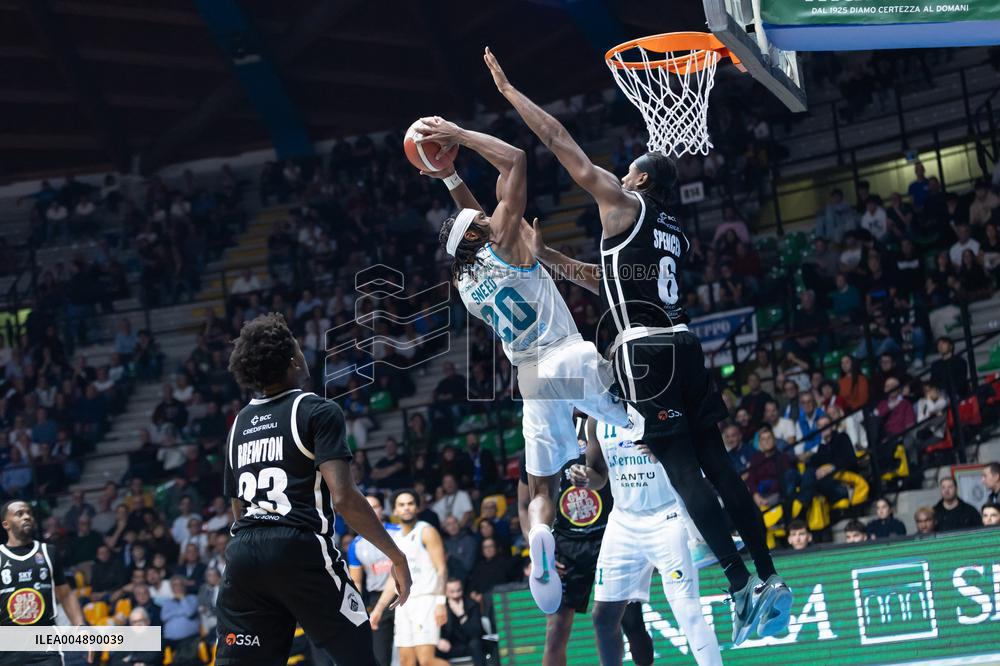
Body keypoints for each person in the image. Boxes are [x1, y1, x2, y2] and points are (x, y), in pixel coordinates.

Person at [491, 45, 789, 641]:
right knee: (718, 466)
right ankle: (766, 575)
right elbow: (607, 280)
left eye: (629, 169)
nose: (619, 174)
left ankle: (738, 585)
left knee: (683, 472)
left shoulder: (624, 203)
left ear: (642, 180)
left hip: (646, 356)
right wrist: (547, 256)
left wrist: (510, 94)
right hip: (686, 344)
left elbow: (559, 141)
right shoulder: (670, 230)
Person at [415, 114, 629, 615]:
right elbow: (515, 158)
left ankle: (539, 534)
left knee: (540, 485)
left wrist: (450, 177)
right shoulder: (507, 245)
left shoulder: (467, 285)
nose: (491, 217)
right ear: (478, 236)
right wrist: (460, 137)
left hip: (530, 376)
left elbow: (471, 223)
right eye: (484, 223)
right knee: (644, 418)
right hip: (567, 352)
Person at [216, 313, 411, 666]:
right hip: (298, 547)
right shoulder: (317, 411)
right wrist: (395, 555)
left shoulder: (238, 425)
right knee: (356, 652)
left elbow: (238, 509)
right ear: (293, 359)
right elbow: (344, 499)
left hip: (242, 556)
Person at [571, 408, 723, 665]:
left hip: (668, 517)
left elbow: (694, 452)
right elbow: (599, 475)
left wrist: (664, 451)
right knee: (603, 616)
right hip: (623, 521)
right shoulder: (596, 416)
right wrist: (587, 478)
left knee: (687, 610)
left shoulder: (654, 403)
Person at [0, 500, 88, 665]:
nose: (26, 517)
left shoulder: (48, 552)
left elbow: (66, 594)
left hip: (46, 648)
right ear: (6, 524)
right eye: (19, 514)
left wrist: (79, 625)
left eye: (29, 513)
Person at [370, 490, 448, 666]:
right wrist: (379, 608)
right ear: (395, 510)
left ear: (417, 507)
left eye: (410, 503)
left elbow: (441, 569)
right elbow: (393, 580)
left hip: (426, 601)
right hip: (404, 604)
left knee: (427, 660)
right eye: (401, 505)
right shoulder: (395, 539)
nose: (406, 508)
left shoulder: (426, 531)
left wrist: (441, 602)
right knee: (406, 662)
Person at [347, 494, 401, 666]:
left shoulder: (399, 532)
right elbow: (356, 582)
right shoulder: (356, 545)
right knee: (380, 655)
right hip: (377, 599)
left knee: (409, 652)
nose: (372, 510)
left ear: (382, 509)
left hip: (405, 594)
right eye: (367, 506)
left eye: (375, 506)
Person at [435, 578, 486, 666]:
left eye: (458, 591)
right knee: (430, 650)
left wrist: (461, 615)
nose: (456, 595)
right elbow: (433, 628)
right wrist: (438, 640)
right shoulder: (442, 608)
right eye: (452, 592)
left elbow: (476, 633)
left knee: (475, 644)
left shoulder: (472, 605)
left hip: (468, 646)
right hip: (450, 647)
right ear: (446, 593)